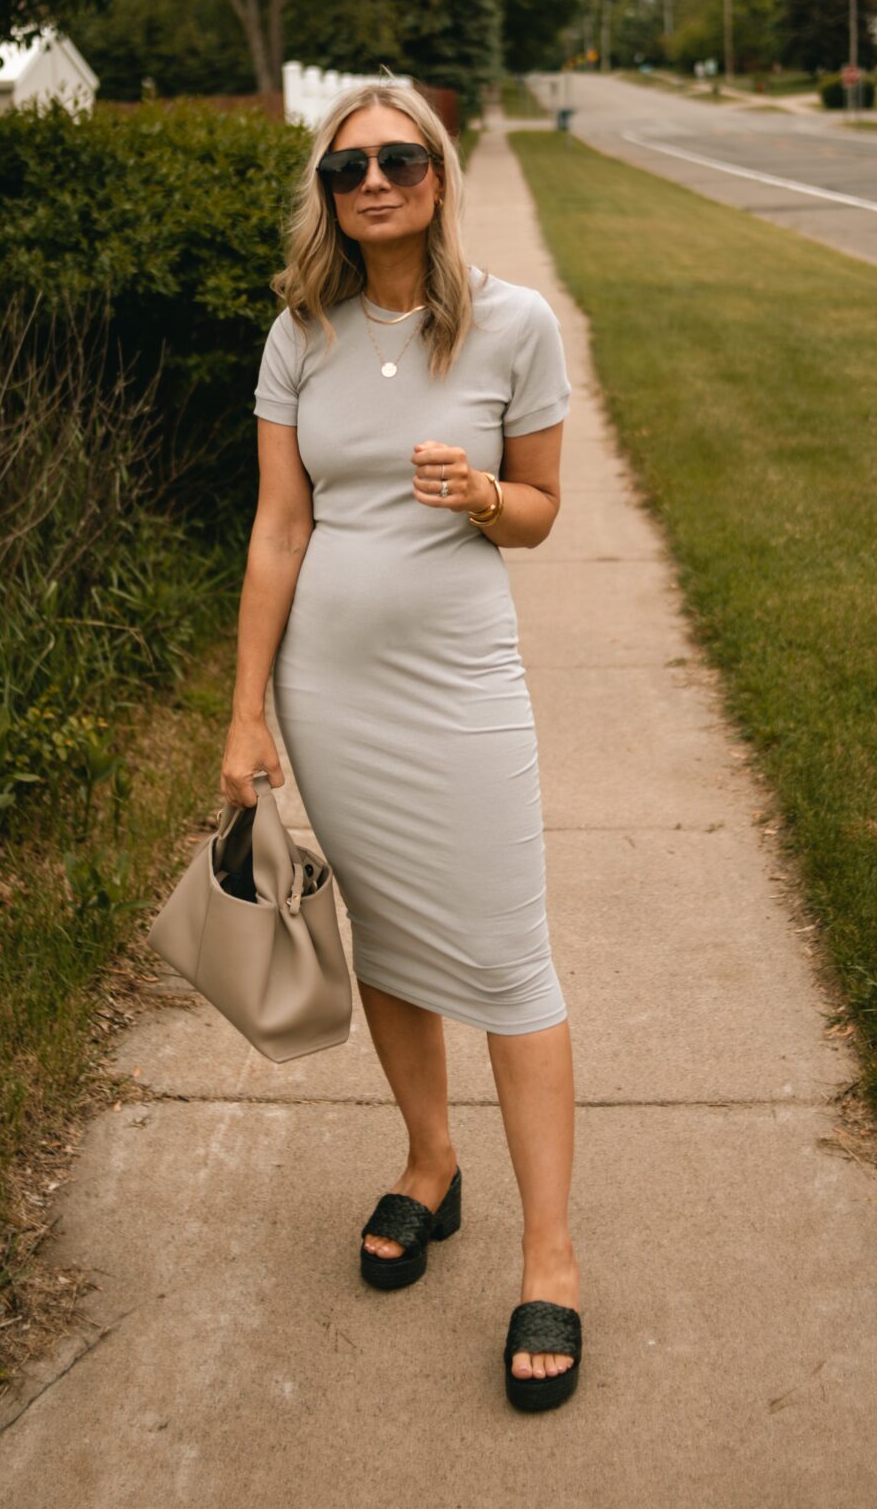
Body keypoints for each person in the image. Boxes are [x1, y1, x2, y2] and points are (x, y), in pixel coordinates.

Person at [219, 79, 582, 1410]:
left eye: (398, 158)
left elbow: (543, 507)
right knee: (394, 940)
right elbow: (278, 531)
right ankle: (431, 1163)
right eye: (347, 165)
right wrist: (246, 710)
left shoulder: (513, 326)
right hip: (331, 695)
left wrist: (488, 494)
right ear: (326, 192)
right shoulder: (298, 334)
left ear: (435, 172)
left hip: (461, 682)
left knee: (506, 950)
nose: (373, 180)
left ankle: (552, 1253)